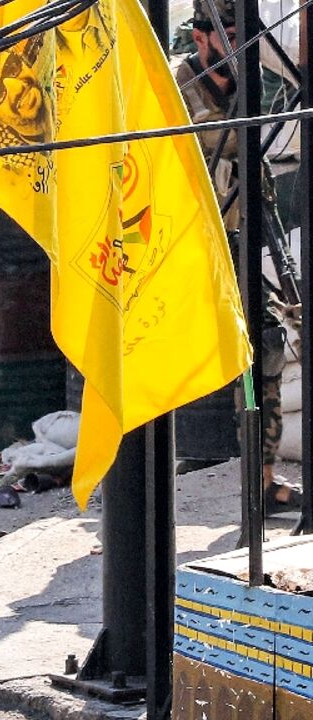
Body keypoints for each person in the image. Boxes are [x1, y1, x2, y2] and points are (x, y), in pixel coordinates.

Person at [176, 0, 304, 515]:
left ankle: (263, 482)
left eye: (240, 36)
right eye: (225, 36)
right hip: (183, 244)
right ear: (200, 39)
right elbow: (205, 142)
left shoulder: (254, 87)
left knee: (267, 347)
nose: (234, 49)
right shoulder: (174, 89)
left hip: (236, 240)